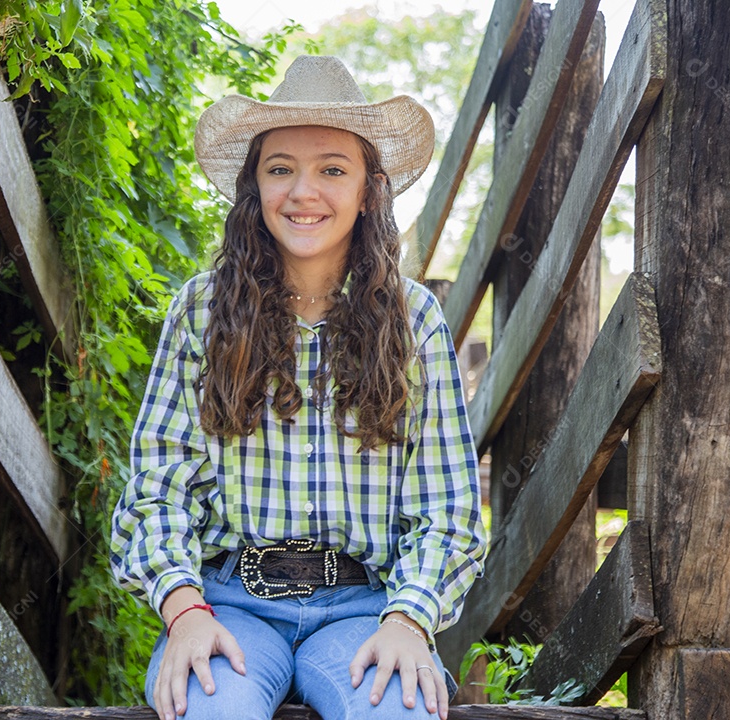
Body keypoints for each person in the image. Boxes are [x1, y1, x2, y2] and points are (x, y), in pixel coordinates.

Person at [110, 55, 486, 720]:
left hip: (365, 612)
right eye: (280, 168)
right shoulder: (201, 311)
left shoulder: (414, 319)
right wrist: (184, 609)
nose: (302, 191)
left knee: (397, 712)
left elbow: (448, 513)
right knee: (212, 711)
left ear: (370, 188)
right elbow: (157, 489)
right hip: (228, 606)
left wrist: (409, 621)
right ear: (255, 185)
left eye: (332, 170)